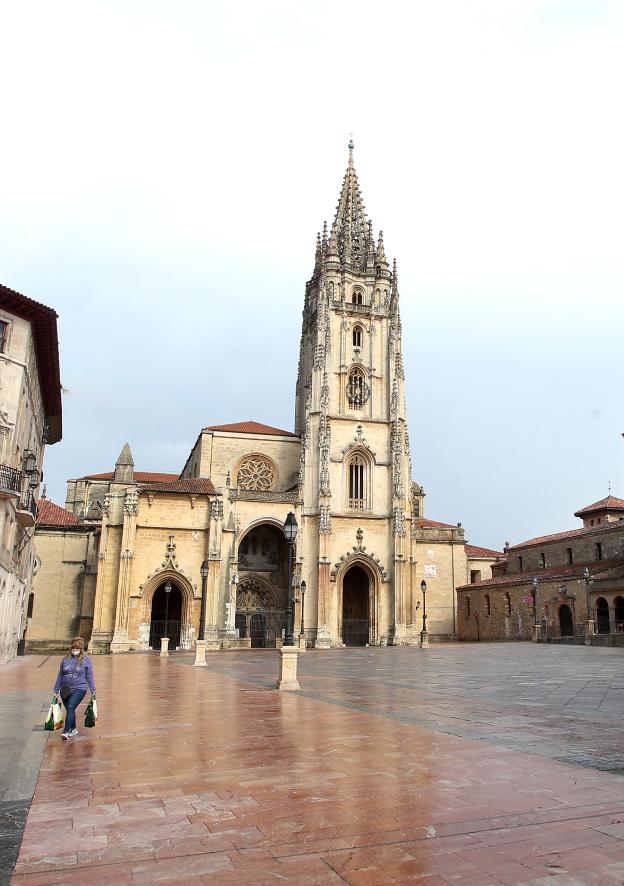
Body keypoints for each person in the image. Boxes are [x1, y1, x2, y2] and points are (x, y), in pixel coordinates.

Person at [52, 637, 96, 740]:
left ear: (81, 649)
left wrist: (93, 690)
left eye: (78, 648)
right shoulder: (65, 659)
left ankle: (66, 731)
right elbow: (60, 674)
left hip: (79, 688)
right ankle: (73, 728)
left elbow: (89, 676)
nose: (75, 649)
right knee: (69, 710)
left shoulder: (87, 660)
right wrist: (56, 689)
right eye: (74, 647)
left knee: (71, 707)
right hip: (65, 689)